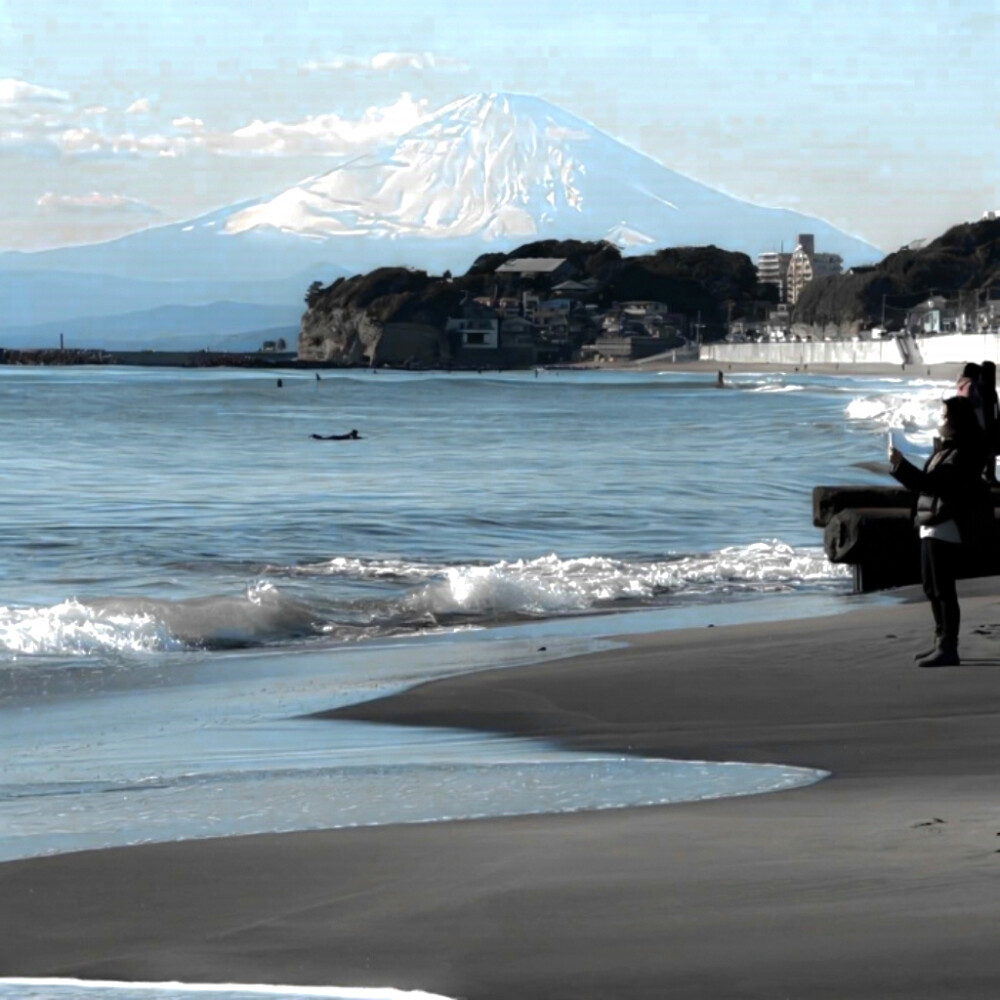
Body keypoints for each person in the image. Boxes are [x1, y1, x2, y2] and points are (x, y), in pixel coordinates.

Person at [888, 395, 990, 667]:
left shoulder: (962, 454)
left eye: (944, 416)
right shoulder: (948, 450)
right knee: (932, 587)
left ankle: (948, 646)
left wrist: (899, 465)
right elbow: (928, 484)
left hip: (945, 526)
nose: (940, 420)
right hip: (931, 524)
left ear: (956, 421)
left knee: (943, 589)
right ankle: (940, 641)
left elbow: (932, 485)